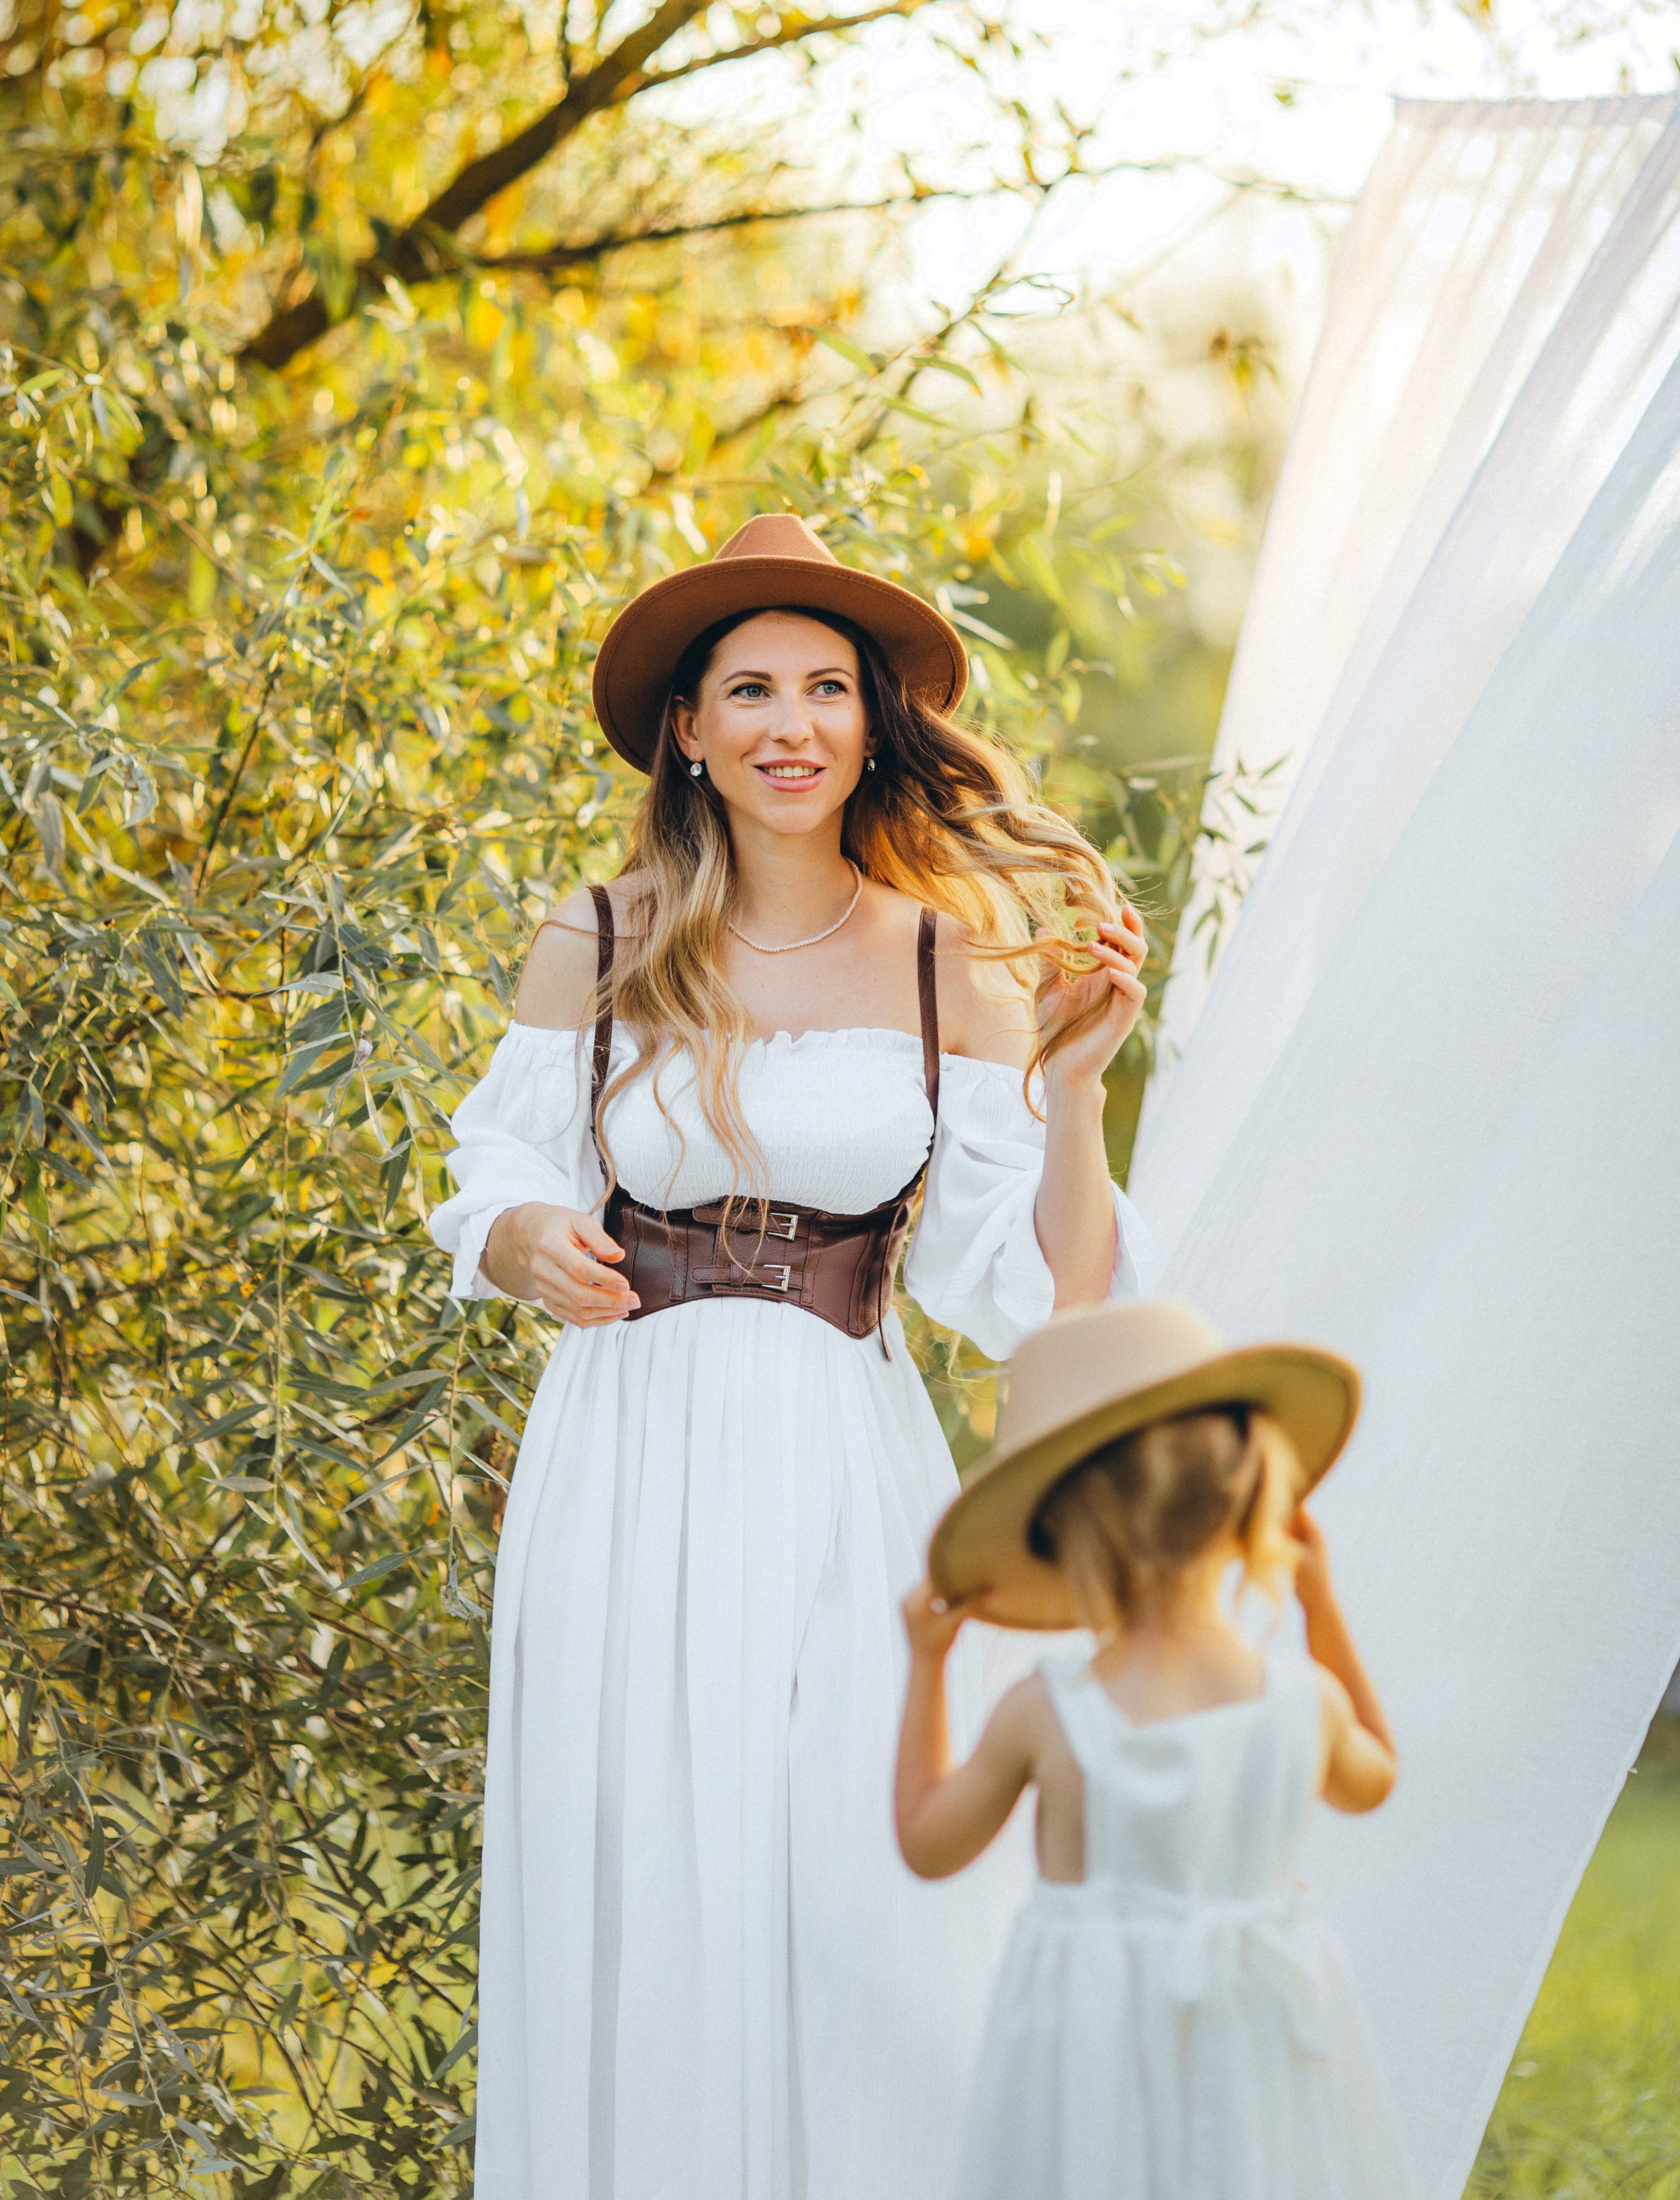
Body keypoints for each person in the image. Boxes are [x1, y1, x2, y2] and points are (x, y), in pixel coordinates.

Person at [429, 513, 1157, 2200]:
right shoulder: (598, 938)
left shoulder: (944, 962)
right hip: (627, 1455)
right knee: (646, 1867)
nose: (788, 723)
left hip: (847, 1465)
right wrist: (517, 1238)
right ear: (684, 729)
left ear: (868, 722)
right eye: (746, 688)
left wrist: (1077, 1092)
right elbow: (493, 1164)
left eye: (824, 687)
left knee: (855, 1889)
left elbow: (1032, 1284)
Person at [895, 1297, 1411, 2200]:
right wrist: (1320, 1608)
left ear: (1068, 1544)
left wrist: (928, 1666)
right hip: (1257, 2050)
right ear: (1256, 1509)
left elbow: (928, 1843)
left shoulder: (1046, 1712)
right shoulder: (1307, 1703)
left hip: (1087, 2067)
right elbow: (1375, 1777)